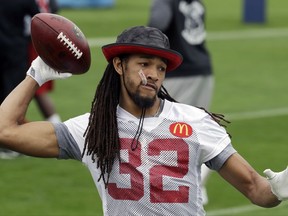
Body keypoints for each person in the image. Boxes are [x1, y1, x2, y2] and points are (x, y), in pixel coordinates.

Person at [0, 26, 287, 216]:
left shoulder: (196, 121)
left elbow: (256, 191)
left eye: (160, 67)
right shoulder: (92, 128)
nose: (153, 74)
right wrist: (36, 73)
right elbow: (5, 130)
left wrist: (279, 187)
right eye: (144, 64)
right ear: (119, 65)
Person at [148, 0, 214, 204]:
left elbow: (158, 23)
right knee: (196, 130)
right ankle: (197, 183)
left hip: (178, 73)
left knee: (165, 130)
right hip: (203, 69)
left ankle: (187, 185)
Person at [0, 0, 61, 159]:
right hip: (16, 49)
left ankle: (10, 143)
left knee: (11, 96)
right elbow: (44, 18)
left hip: (14, 50)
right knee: (13, 97)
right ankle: (9, 143)